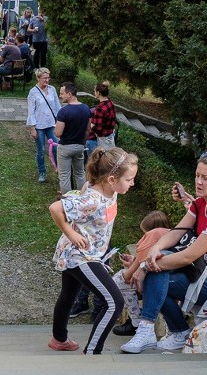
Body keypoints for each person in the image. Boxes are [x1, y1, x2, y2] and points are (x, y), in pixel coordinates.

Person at [120, 152, 207, 354]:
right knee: (159, 266)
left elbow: (189, 256)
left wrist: (145, 266)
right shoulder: (201, 203)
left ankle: (152, 331)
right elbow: (176, 233)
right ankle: (173, 331)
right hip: (201, 271)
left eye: (206, 178)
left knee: (155, 272)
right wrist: (155, 249)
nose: (198, 181)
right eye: (197, 175)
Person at [48, 147, 139, 354]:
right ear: (111, 179)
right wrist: (72, 234)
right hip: (79, 255)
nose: (132, 183)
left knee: (68, 295)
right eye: (129, 179)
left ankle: (58, 339)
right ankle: (92, 353)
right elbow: (55, 208)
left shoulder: (107, 190)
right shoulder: (93, 199)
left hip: (90, 254)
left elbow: (89, 193)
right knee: (113, 301)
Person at [111, 211, 172, 336]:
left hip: (156, 281)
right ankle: (136, 320)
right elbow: (141, 265)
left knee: (118, 281)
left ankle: (136, 321)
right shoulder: (169, 239)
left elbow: (128, 277)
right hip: (163, 276)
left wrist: (132, 265)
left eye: (145, 234)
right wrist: (133, 263)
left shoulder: (151, 244)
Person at [54, 82, 92, 194]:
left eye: (62, 93)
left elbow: (58, 133)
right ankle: (82, 197)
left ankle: (67, 200)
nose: (60, 96)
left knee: (64, 175)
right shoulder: (86, 108)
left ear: (69, 94)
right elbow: (88, 129)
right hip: (80, 146)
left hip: (65, 147)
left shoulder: (63, 112)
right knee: (80, 173)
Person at [26, 68, 60, 183]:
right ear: (38, 78)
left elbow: (57, 106)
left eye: (48, 78)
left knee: (56, 147)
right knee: (41, 150)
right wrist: (32, 127)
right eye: (44, 78)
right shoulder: (33, 92)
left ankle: (60, 171)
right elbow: (31, 111)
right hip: (39, 125)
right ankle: (42, 172)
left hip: (51, 124)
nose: (47, 80)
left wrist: (60, 121)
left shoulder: (52, 89)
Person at [85, 81, 116, 155]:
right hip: (110, 137)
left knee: (95, 163)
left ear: (98, 92)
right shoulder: (111, 103)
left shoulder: (99, 108)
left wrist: (90, 125)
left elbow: (98, 129)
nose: (94, 92)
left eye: (94, 91)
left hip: (101, 141)